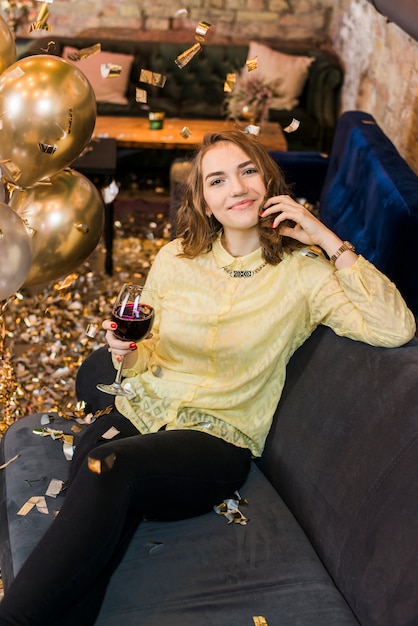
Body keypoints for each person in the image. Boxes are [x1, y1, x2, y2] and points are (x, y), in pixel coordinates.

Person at [0, 130, 415, 625]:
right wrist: (124, 354)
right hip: (141, 410)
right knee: (88, 503)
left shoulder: (306, 273)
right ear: (203, 200)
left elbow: (395, 328)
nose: (236, 188)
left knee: (105, 470)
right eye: (217, 180)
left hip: (213, 438)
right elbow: (143, 354)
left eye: (246, 171)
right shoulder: (175, 259)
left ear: (267, 180)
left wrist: (325, 238)